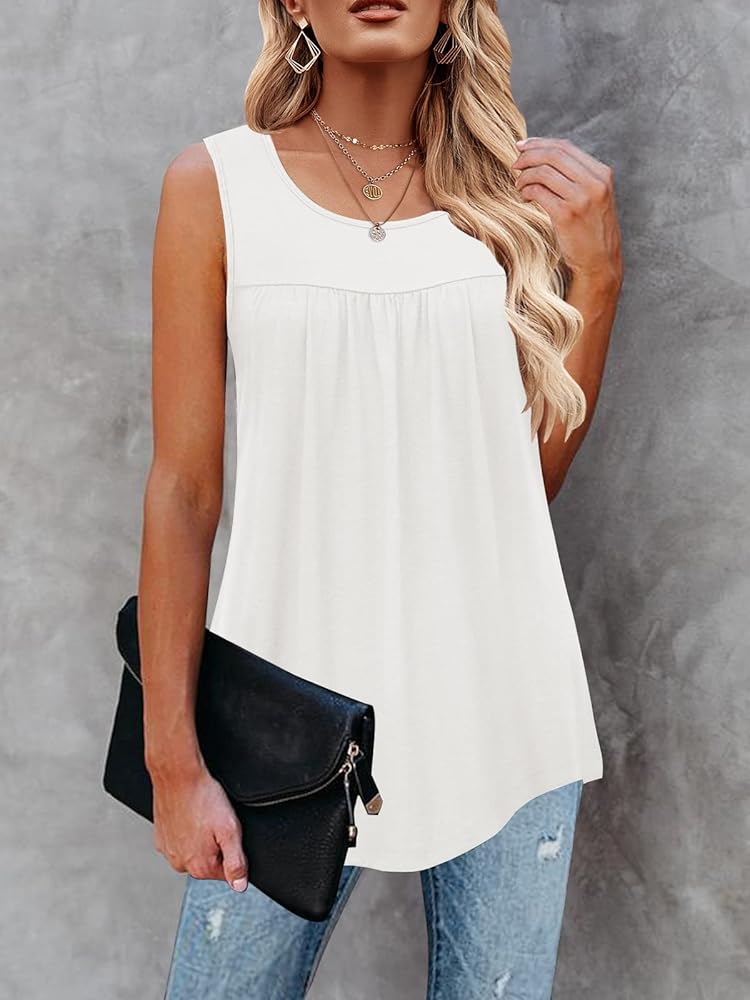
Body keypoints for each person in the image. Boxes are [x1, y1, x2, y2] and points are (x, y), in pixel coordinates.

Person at [138, 0, 623, 996]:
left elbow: (515, 496)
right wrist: (172, 760)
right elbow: (184, 490)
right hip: (281, 724)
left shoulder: (510, 197)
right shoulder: (215, 186)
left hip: (506, 709)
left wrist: (601, 278)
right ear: (293, 5)